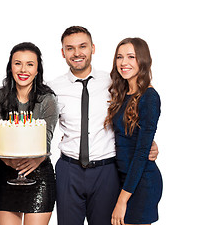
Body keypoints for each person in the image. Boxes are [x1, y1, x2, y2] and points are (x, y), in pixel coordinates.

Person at [47, 26, 159, 225]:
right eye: (70, 48)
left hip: (107, 171)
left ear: (93, 48)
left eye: (83, 46)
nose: (77, 53)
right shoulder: (53, 88)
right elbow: (42, 128)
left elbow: (137, 110)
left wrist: (149, 142)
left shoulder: (115, 82)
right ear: (63, 52)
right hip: (69, 169)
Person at [0, 42, 58, 225]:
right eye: (18, 63)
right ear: (10, 67)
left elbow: (46, 140)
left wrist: (35, 160)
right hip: (6, 176)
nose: (23, 69)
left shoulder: (47, 99)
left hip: (39, 176)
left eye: (30, 64)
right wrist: (8, 160)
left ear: (37, 69)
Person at [104, 38, 162, 225]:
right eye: (119, 57)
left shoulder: (149, 97)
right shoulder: (122, 94)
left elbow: (141, 153)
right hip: (123, 180)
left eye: (131, 57)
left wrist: (122, 201)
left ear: (143, 60)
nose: (123, 62)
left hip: (141, 183)